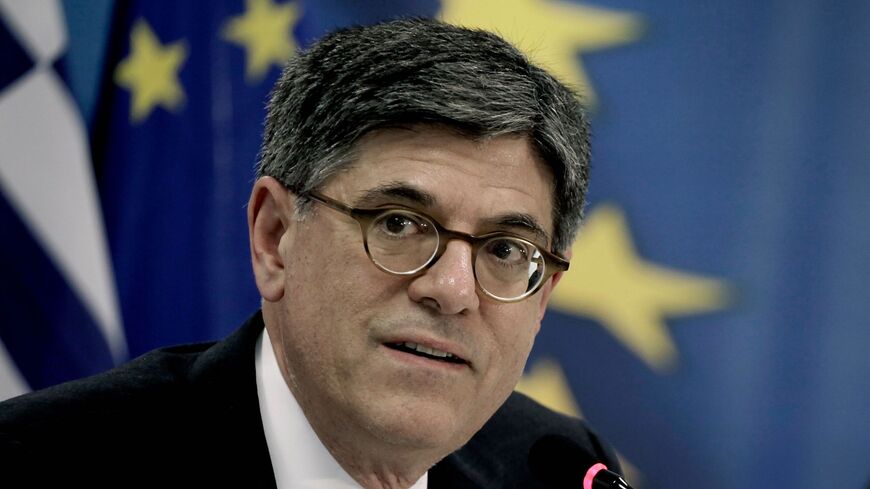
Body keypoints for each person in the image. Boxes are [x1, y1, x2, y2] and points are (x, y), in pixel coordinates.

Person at [0, 18, 622, 488]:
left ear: (543, 296)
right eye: (400, 223)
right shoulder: (43, 463)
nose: (454, 290)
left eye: (506, 249)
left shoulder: (555, 464)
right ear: (275, 237)